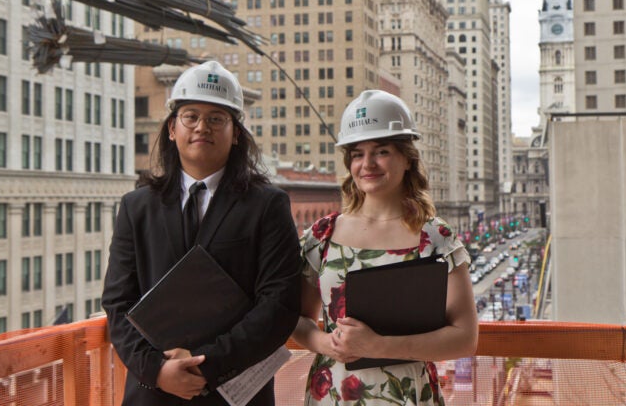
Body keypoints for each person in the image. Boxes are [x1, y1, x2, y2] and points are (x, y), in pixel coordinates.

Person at [102, 60, 301, 405]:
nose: (201, 127)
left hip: (234, 391)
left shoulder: (267, 205)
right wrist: (156, 371)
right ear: (171, 128)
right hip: (153, 392)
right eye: (190, 116)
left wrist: (206, 367)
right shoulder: (137, 207)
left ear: (236, 132)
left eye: (216, 119)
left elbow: (279, 305)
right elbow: (118, 303)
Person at [292, 90, 478, 405]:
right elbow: (298, 319)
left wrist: (377, 346)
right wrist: (325, 342)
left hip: (407, 395)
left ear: (407, 158)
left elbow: (464, 338)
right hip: (334, 394)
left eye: (381, 151)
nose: (368, 164)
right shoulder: (321, 237)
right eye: (357, 154)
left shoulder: (435, 239)